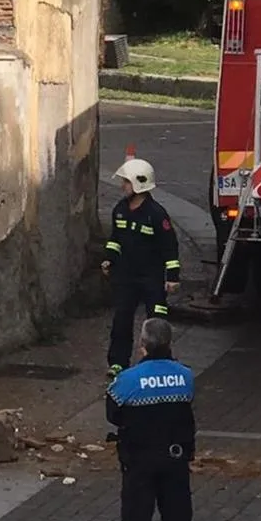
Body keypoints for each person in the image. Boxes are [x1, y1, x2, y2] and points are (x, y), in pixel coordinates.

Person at [102, 317, 205, 521]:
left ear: (143, 345)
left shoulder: (128, 381)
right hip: (175, 463)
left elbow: (114, 415)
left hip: (139, 466)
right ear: (170, 343)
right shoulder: (185, 376)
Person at [101, 157, 180, 379]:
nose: (122, 186)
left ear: (139, 184)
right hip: (126, 277)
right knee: (121, 320)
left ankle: (162, 362)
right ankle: (118, 362)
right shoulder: (120, 210)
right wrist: (109, 258)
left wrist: (172, 276)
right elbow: (115, 239)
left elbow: (169, 246)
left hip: (152, 279)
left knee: (157, 322)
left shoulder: (156, 214)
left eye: (126, 182)